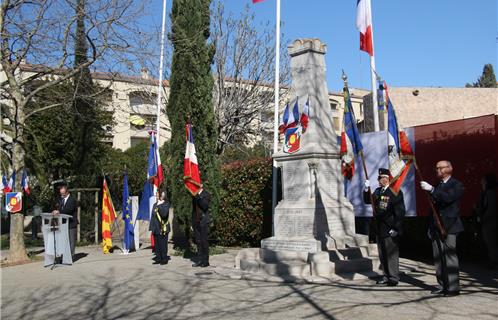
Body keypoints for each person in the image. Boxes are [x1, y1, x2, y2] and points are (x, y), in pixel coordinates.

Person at [420, 160, 464, 297]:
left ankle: (453, 287)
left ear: (450, 168)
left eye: (440, 168)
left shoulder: (456, 184)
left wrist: (432, 190)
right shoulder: (439, 184)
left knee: (450, 257)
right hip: (436, 226)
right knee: (438, 258)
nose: (437, 170)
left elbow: (448, 198)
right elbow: (433, 209)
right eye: (437, 168)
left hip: (450, 226)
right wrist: (430, 226)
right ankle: (442, 285)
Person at [364, 168, 406, 286]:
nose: (382, 180)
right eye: (380, 178)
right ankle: (386, 276)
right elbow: (368, 201)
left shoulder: (395, 191)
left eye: (384, 178)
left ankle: (393, 278)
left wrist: (396, 228)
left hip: (390, 227)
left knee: (391, 254)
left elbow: (400, 212)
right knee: (382, 254)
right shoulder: (378, 191)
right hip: (379, 228)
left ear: (389, 179)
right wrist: (366, 189)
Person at [474, 174, 497, 268]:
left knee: (491, 242)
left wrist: (482, 218)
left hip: (489, 222)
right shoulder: (487, 193)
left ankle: (494, 261)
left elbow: (490, 208)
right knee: (489, 242)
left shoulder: (490, 193)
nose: (481, 183)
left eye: (483, 181)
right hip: (488, 221)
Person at [52, 181, 77, 257]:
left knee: (71, 241)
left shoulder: (72, 200)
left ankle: (71, 257)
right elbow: (58, 208)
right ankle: (63, 256)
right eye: (61, 193)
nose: (61, 195)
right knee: (63, 241)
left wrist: (58, 211)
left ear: (67, 192)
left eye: (63, 193)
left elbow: (69, 210)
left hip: (71, 224)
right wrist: (55, 211)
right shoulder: (60, 200)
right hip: (62, 224)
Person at [192, 187, 211, 267]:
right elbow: (193, 210)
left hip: (203, 221)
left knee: (204, 241)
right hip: (196, 221)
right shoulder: (194, 195)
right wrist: (192, 222)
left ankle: (205, 261)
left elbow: (205, 206)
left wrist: (199, 196)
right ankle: (200, 260)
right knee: (198, 241)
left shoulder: (206, 194)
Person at [150, 191, 170, 265]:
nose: (156, 196)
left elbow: (164, 214)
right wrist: (152, 227)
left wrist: (160, 205)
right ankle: (158, 258)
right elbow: (153, 216)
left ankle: (164, 259)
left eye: (158, 195)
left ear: (162, 196)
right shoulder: (155, 204)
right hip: (156, 227)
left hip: (163, 227)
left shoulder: (166, 204)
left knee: (163, 244)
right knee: (157, 244)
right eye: (156, 195)